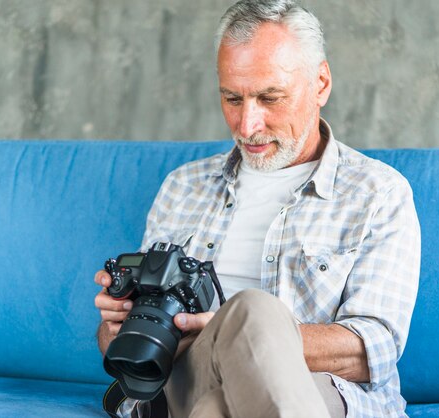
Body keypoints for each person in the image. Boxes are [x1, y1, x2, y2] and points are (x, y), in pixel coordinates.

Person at [95, 0, 420, 417]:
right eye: (232, 98)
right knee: (251, 317)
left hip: (318, 389)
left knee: (235, 359)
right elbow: (125, 347)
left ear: (320, 84)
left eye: (270, 97)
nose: (247, 126)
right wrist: (118, 323)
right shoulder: (182, 187)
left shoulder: (378, 193)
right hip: (185, 379)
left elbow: (371, 350)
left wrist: (238, 331)